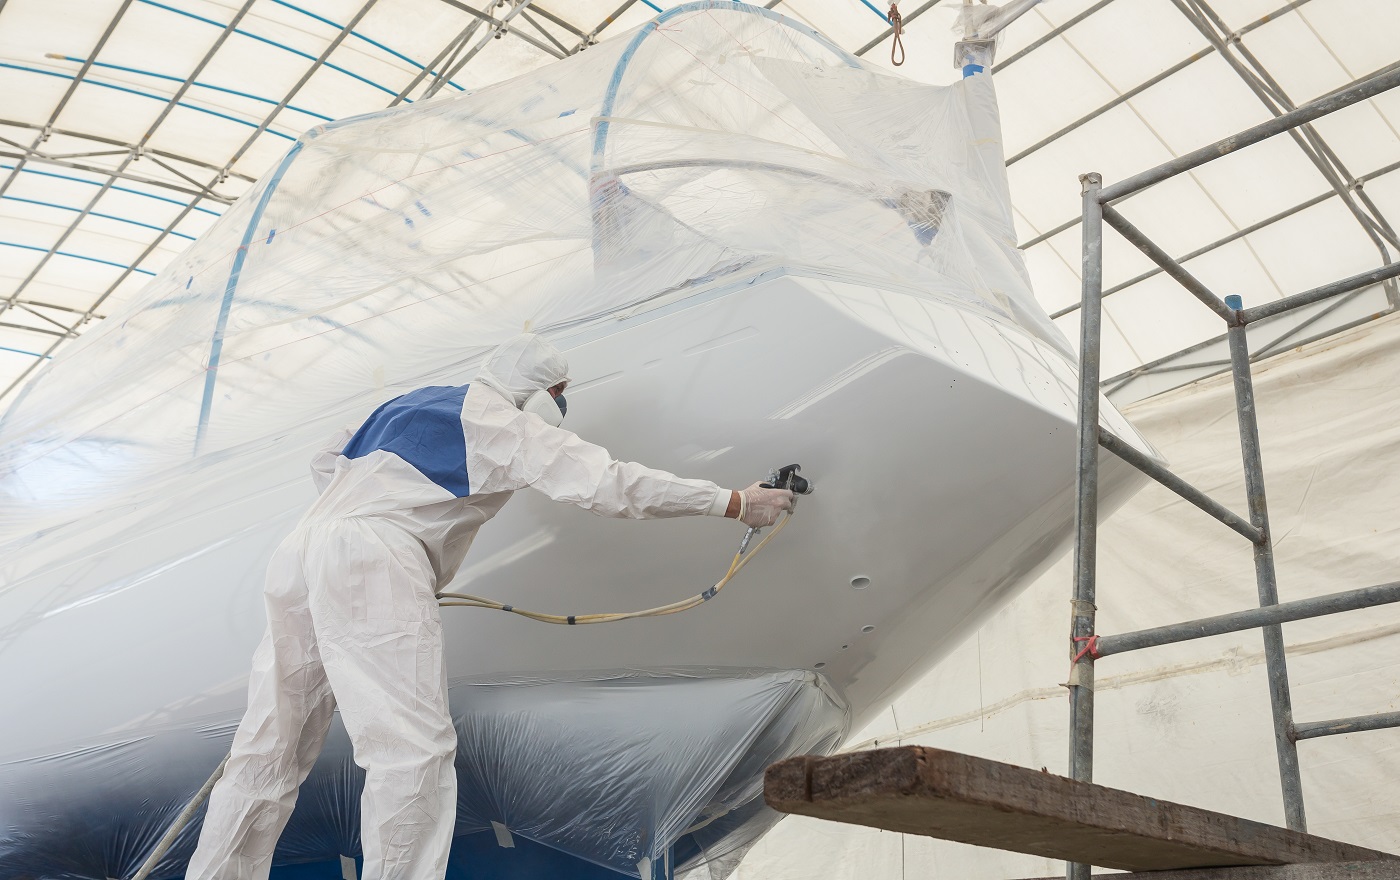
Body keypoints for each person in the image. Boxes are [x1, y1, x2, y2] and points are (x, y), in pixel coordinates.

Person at [185, 333, 794, 880]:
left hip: (305, 547)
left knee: (270, 744)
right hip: (372, 553)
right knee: (410, 749)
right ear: (539, 390)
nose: (561, 404)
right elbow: (607, 484)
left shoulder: (407, 402)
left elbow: (323, 461)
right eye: (560, 392)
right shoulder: (502, 421)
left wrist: (358, 543)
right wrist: (735, 501)